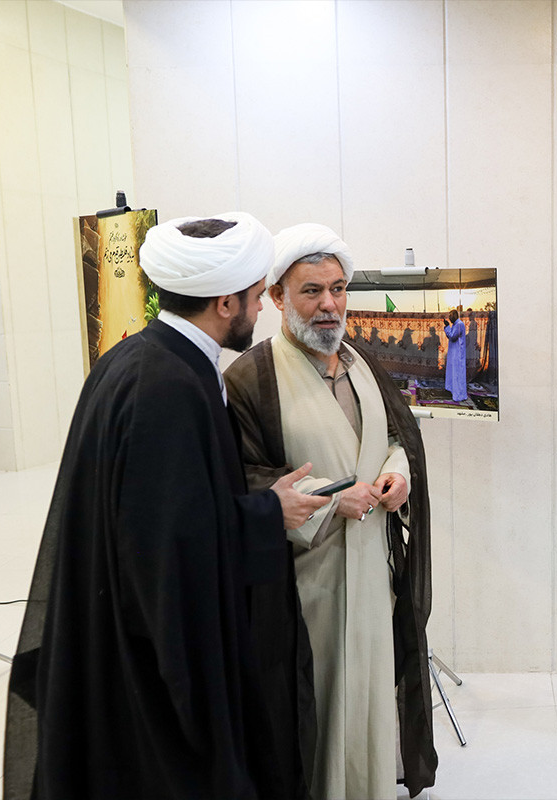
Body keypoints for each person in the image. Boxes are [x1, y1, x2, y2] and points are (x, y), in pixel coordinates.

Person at [3, 214, 328, 800]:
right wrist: (267, 512)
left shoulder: (142, 358)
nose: (261, 309)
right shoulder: (168, 387)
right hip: (146, 675)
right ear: (225, 303)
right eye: (257, 296)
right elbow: (166, 556)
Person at [225, 224, 437, 800]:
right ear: (277, 297)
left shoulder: (361, 361)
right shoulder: (250, 378)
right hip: (304, 587)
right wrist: (329, 498)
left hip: (371, 574)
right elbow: (240, 479)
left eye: (338, 289)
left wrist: (398, 474)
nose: (329, 305)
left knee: (369, 699)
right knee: (312, 711)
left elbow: (395, 436)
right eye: (312, 291)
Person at [443, 308, 469, 402]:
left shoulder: (459, 324)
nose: (449, 318)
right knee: (453, 372)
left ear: (454, 316)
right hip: (454, 353)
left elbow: (452, 336)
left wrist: (447, 327)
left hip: (457, 353)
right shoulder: (455, 324)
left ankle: (459, 395)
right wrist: (448, 327)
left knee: (457, 374)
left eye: (450, 316)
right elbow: (450, 336)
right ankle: (453, 391)